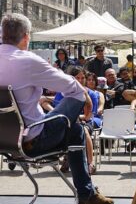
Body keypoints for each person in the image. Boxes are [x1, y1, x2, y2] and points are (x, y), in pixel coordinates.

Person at [0, 13, 113, 204]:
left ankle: (88, 194)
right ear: (26, 36)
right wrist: (87, 98)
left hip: (4, 141)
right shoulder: (28, 61)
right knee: (76, 126)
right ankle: (86, 194)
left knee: (74, 128)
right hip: (32, 141)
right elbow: (73, 87)